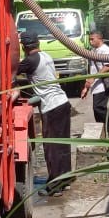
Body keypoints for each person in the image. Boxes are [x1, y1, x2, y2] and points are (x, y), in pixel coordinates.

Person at [17, 31, 73, 196]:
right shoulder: (46, 56)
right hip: (63, 102)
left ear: (24, 46)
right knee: (63, 144)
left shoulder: (30, 60)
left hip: (51, 108)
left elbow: (12, 71)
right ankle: (65, 180)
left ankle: (55, 187)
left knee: (51, 147)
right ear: (38, 43)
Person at [80, 30, 109, 136]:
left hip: (103, 83)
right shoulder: (95, 50)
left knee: (98, 108)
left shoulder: (106, 50)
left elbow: (107, 66)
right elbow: (92, 69)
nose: (90, 42)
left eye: (92, 39)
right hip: (97, 84)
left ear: (99, 39)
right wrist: (86, 87)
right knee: (97, 110)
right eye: (89, 39)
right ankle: (102, 132)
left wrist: (93, 78)